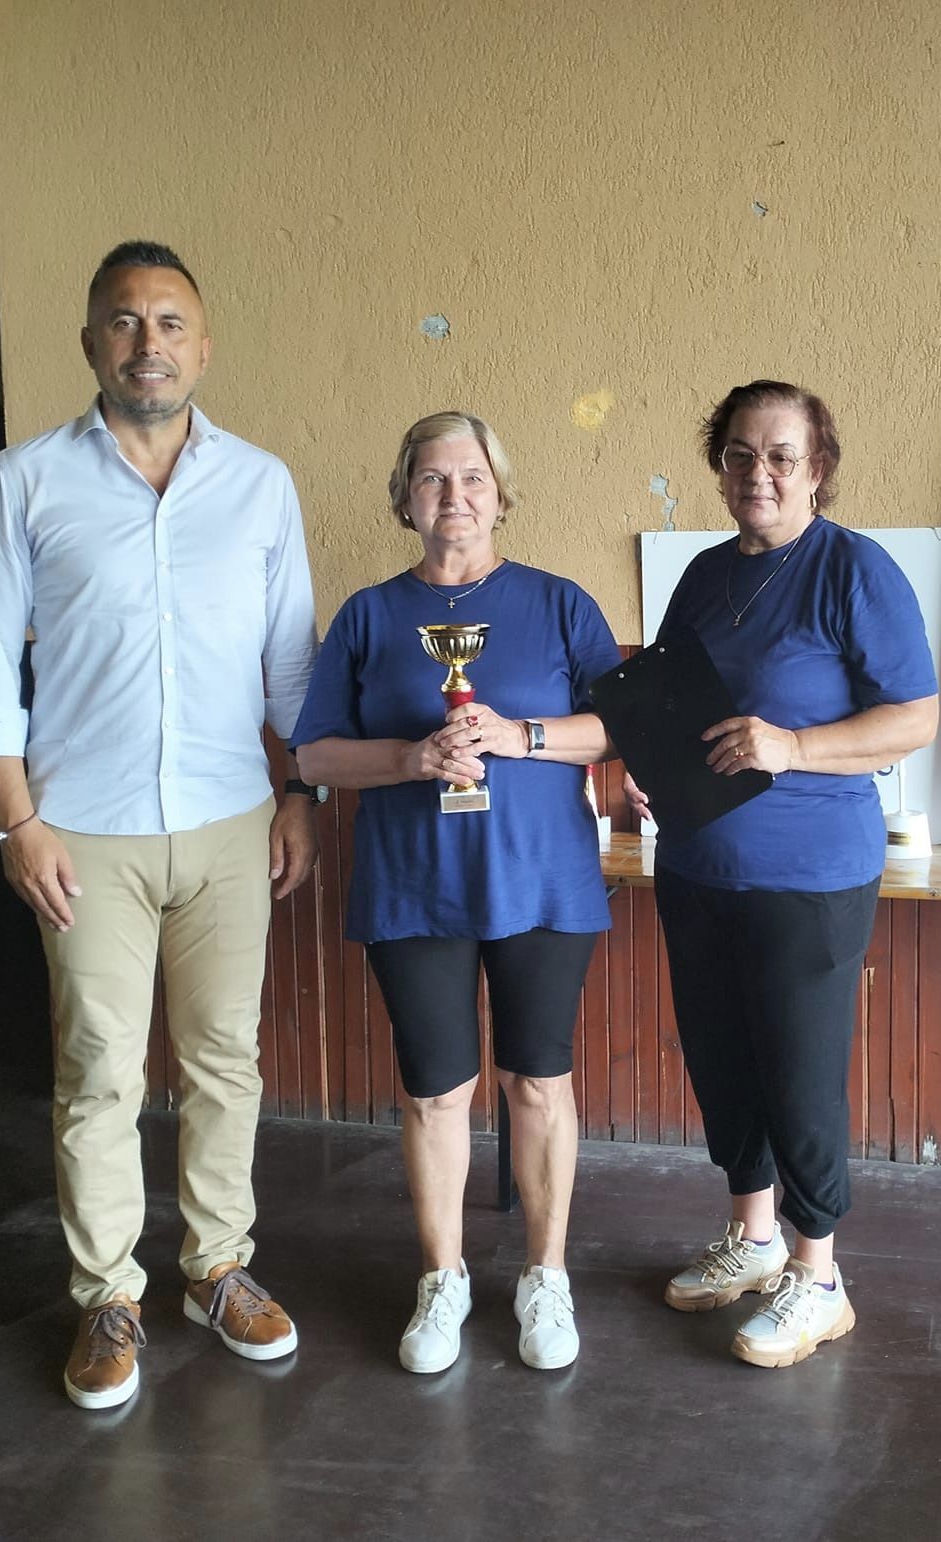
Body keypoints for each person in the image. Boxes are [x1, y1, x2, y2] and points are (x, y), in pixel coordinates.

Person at [0, 240, 320, 1410]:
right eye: (123, 320)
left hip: (230, 821)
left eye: (168, 323)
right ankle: (108, 1295)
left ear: (202, 348)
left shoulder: (259, 485)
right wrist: (16, 826)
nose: (146, 342)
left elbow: (292, 674)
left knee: (224, 1060)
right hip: (82, 833)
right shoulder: (24, 482)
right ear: (89, 343)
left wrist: (301, 795)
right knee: (99, 1070)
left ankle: (216, 1270)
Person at [291, 412, 619, 1374]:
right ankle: (443, 1280)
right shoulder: (368, 616)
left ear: (501, 493)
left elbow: (620, 726)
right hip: (414, 887)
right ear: (405, 499)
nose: (455, 495)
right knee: (436, 1093)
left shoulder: (559, 603)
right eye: (432, 479)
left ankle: (545, 1276)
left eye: (472, 477)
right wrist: (410, 757)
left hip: (542, 880)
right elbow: (315, 754)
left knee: (538, 1081)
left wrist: (521, 737)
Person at [632, 379, 937, 1368]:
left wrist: (794, 748)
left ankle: (819, 1275)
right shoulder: (702, 575)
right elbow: (674, 702)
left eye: (779, 456)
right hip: (696, 865)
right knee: (722, 1064)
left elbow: (915, 718)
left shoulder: (854, 569)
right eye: (738, 454)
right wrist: (651, 767)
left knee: (799, 1078)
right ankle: (754, 1238)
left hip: (810, 876)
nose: (756, 473)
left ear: (817, 470)